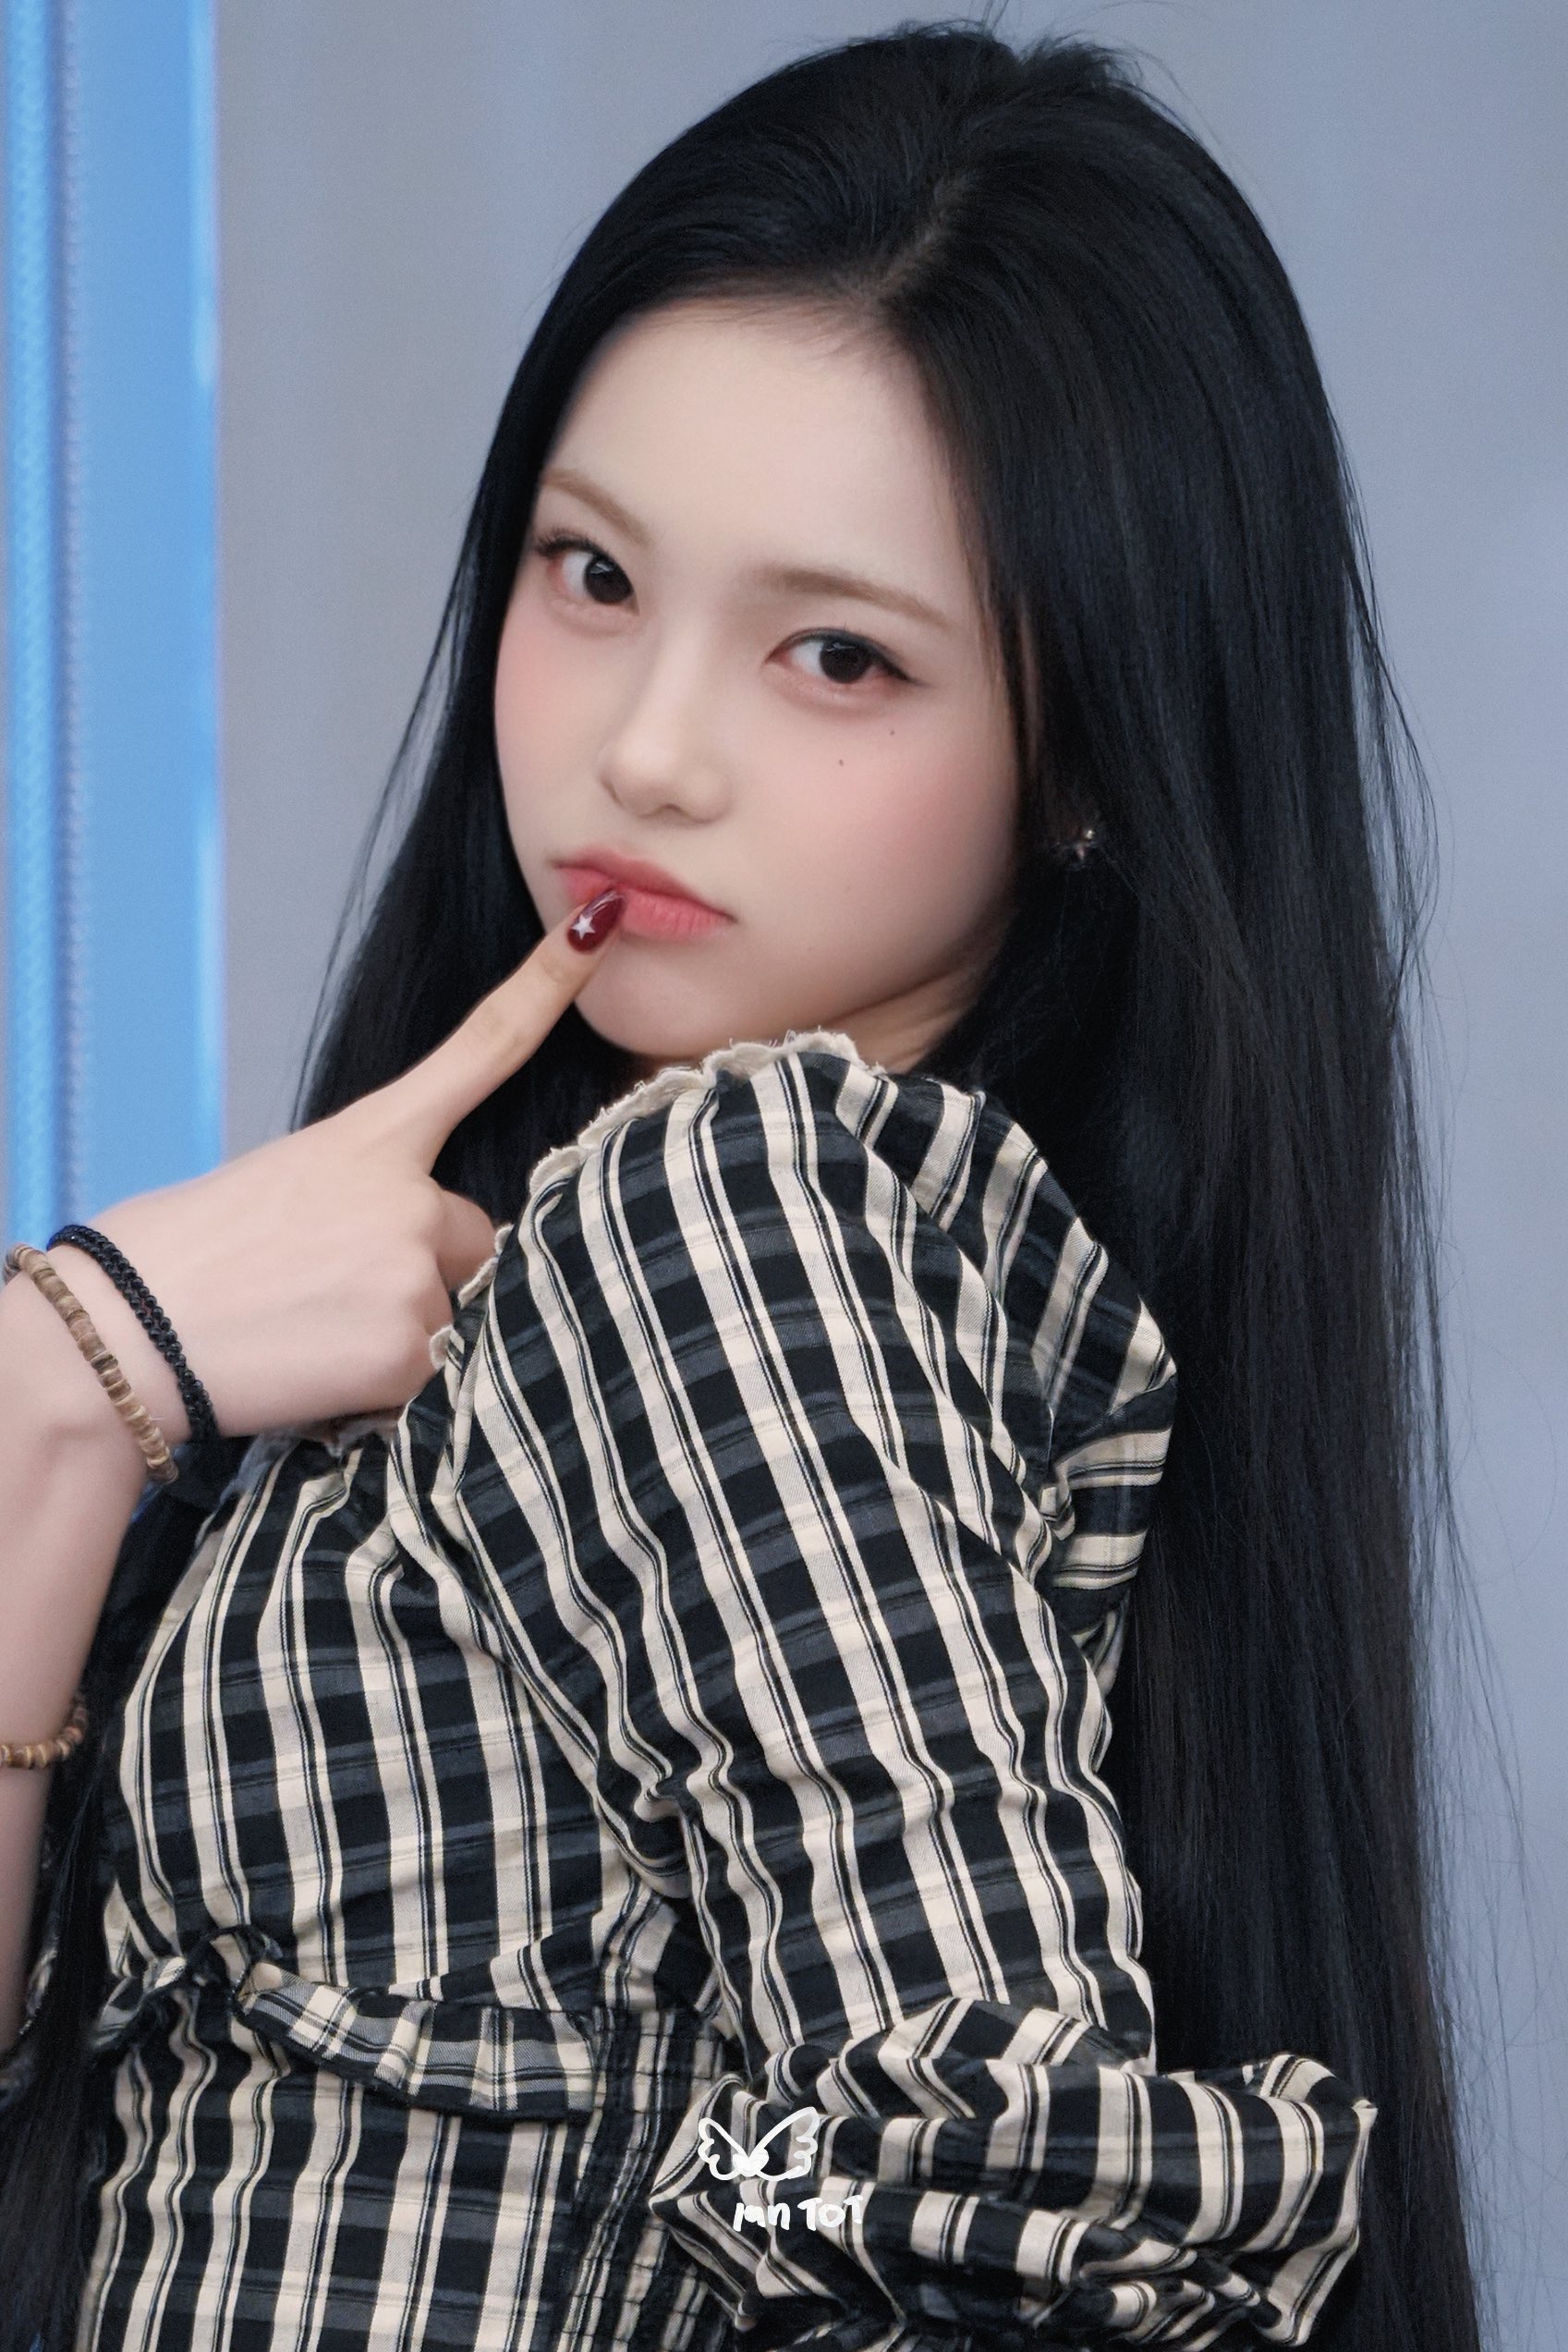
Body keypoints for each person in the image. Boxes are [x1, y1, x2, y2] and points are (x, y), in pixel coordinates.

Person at [0, 22, 1482, 2352]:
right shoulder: (613, 1237)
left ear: (1087, 756)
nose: (649, 748)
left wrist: (68, 1357)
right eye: (592, 572)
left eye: (835, 654)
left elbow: (1004, 2201)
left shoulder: (725, 1208)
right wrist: (63, 1392)